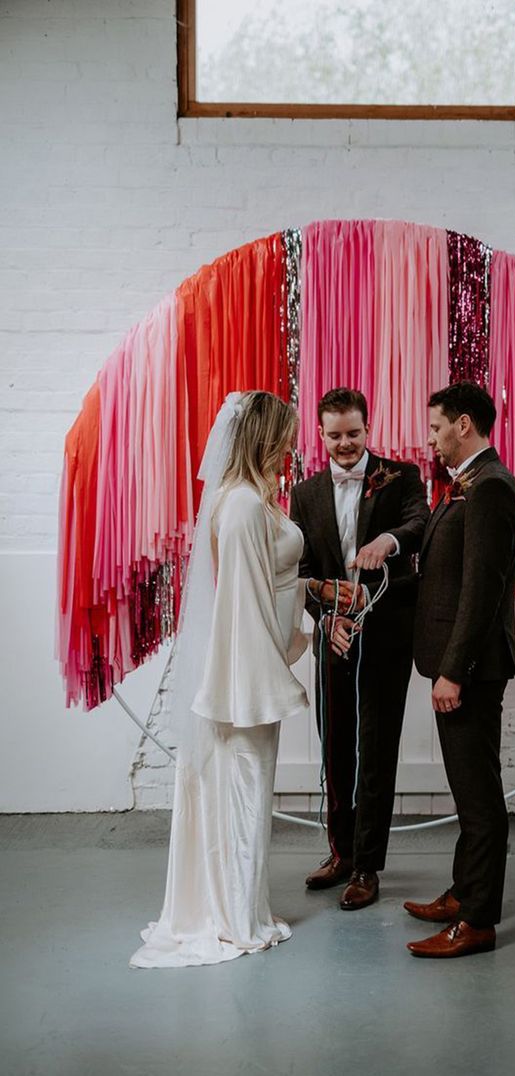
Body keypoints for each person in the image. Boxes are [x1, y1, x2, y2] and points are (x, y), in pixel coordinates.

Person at [130, 391, 310, 969]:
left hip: (253, 673)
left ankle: (241, 907)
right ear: (264, 437)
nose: (291, 446)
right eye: (285, 434)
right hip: (243, 684)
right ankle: (234, 918)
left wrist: (311, 597)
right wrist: (269, 681)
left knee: (248, 798)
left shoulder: (253, 501)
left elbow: (269, 589)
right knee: (241, 796)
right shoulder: (241, 508)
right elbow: (243, 607)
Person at [290, 388, 429, 910]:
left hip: (387, 636)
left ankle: (368, 867)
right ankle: (341, 853)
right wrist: (327, 620)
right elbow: (300, 574)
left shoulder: (401, 477)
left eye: (353, 433)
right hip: (333, 637)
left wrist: (388, 541)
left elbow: (418, 524)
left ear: (367, 429)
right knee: (336, 748)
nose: (345, 444)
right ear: (320, 435)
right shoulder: (304, 494)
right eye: (335, 435)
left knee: (375, 750)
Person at [405, 381, 515, 958]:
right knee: (468, 787)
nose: (431, 438)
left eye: (436, 427)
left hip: (471, 670)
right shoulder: (469, 484)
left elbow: (482, 591)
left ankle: (476, 922)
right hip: (458, 665)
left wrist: (452, 670)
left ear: (464, 425)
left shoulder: (490, 489)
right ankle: (462, 892)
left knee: (479, 798)